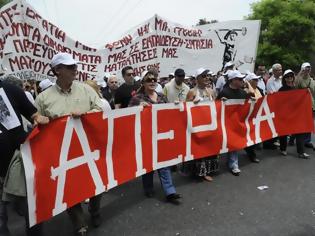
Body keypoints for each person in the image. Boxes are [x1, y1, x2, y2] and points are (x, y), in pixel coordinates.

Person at [35, 52, 104, 236]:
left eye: (75, 65)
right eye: (70, 66)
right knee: (69, 187)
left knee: (96, 181)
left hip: (88, 147)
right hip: (62, 153)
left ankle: (95, 210)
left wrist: (86, 115)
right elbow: (35, 125)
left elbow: (100, 109)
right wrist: (39, 120)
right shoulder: (43, 98)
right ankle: (79, 223)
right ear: (57, 70)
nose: (75, 69)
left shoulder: (86, 90)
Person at [0, 79, 49, 236]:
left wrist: (42, 120)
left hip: (19, 163)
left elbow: (35, 115)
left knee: (32, 208)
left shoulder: (10, 89)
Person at [129, 69, 182, 205]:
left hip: (161, 136)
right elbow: (127, 117)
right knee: (149, 165)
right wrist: (137, 109)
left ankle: (170, 192)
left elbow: (169, 113)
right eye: (149, 80)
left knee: (164, 164)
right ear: (143, 82)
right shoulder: (137, 98)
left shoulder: (161, 96)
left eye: (154, 79)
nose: (152, 82)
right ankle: (148, 187)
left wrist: (175, 106)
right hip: (146, 137)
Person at [217, 70, 258, 176]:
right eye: (239, 79)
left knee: (234, 143)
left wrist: (251, 100)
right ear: (232, 80)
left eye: (242, 79)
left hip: (238, 122)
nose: (242, 81)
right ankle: (232, 164)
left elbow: (245, 107)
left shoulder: (243, 92)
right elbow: (215, 107)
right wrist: (221, 101)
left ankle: (233, 163)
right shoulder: (224, 92)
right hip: (227, 123)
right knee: (231, 143)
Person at [185, 68, 219, 182]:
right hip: (197, 126)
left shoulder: (211, 91)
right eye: (203, 76)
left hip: (209, 124)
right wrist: (192, 104)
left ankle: (209, 170)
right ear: (197, 78)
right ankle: (201, 172)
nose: (206, 78)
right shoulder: (192, 92)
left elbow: (215, 105)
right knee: (200, 149)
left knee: (209, 147)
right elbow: (185, 108)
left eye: (207, 75)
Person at [278, 69, 310, 159]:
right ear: (284, 78)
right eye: (287, 77)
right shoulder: (281, 89)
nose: (289, 78)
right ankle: (283, 148)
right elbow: (279, 102)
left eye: (291, 76)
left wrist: (305, 94)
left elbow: (300, 99)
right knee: (283, 132)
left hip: (296, 114)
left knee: (300, 131)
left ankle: (301, 152)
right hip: (285, 115)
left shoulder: (296, 88)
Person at [295, 62, 315, 150]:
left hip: (311, 104)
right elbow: (295, 89)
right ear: (302, 69)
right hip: (302, 105)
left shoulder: (312, 80)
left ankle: (307, 141)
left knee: (309, 123)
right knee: (301, 123)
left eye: (309, 68)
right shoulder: (299, 79)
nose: (308, 69)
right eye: (306, 68)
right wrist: (300, 73)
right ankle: (298, 139)